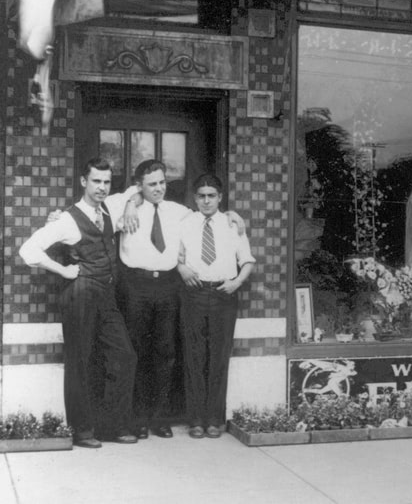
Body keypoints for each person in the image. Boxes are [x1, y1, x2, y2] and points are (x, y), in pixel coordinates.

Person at [118, 159, 245, 439]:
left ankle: (160, 418)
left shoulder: (178, 212)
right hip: (135, 285)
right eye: (152, 184)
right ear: (139, 186)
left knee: (166, 353)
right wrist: (130, 202)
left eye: (162, 182)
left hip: (167, 286)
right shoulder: (124, 206)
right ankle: (137, 418)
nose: (159, 188)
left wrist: (233, 214)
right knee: (136, 351)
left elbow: (209, 211)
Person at [18, 158, 139, 448]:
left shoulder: (110, 206)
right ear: (84, 182)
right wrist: (62, 270)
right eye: (96, 181)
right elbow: (28, 250)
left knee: (125, 355)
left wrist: (133, 203)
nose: (101, 187)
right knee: (80, 361)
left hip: (106, 296)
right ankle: (82, 431)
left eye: (107, 182)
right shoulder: (67, 219)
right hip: (81, 295)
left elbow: (136, 189)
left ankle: (112, 426)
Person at [176, 174, 255, 438]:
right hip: (195, 293)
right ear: (195, 198)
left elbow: (247, 261)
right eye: (201, 196)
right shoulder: (185, 223)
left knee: (218, 357)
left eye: (211, 195)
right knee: (194, 356)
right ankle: (196, 419)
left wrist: (236, 282)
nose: (206, 200)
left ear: (220, 197)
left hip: (224, 294)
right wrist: (182, 268)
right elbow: (175, 257)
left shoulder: (232, 224)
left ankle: (215, 419)